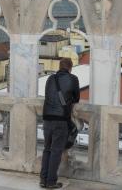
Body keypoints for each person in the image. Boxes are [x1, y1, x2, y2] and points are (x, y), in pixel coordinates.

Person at [40, 57, 80, 189]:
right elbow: (76, 98)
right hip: (61, 119)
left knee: (47, 149)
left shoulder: (50, 78)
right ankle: (51, 182)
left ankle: (43, 179)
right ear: (70, 67)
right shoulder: (73, 79)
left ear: (59, 66)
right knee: (56, 151)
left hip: (47, 118)